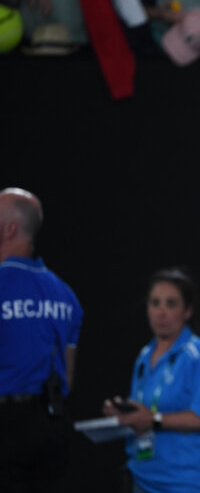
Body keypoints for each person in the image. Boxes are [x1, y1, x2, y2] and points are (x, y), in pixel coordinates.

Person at [102, 267, 200, 493]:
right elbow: (143, 413)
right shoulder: (143, 356)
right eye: (155, 303)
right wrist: (124, 414)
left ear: (187, 310)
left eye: (170, 304)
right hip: (142, 479)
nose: (161, 312)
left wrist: (154, 420)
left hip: (190, 483)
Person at [0, 187, 84, 492]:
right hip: (52, 429)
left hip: (6, 430)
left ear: (9, 228)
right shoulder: (66, 296)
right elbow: (68, 377)